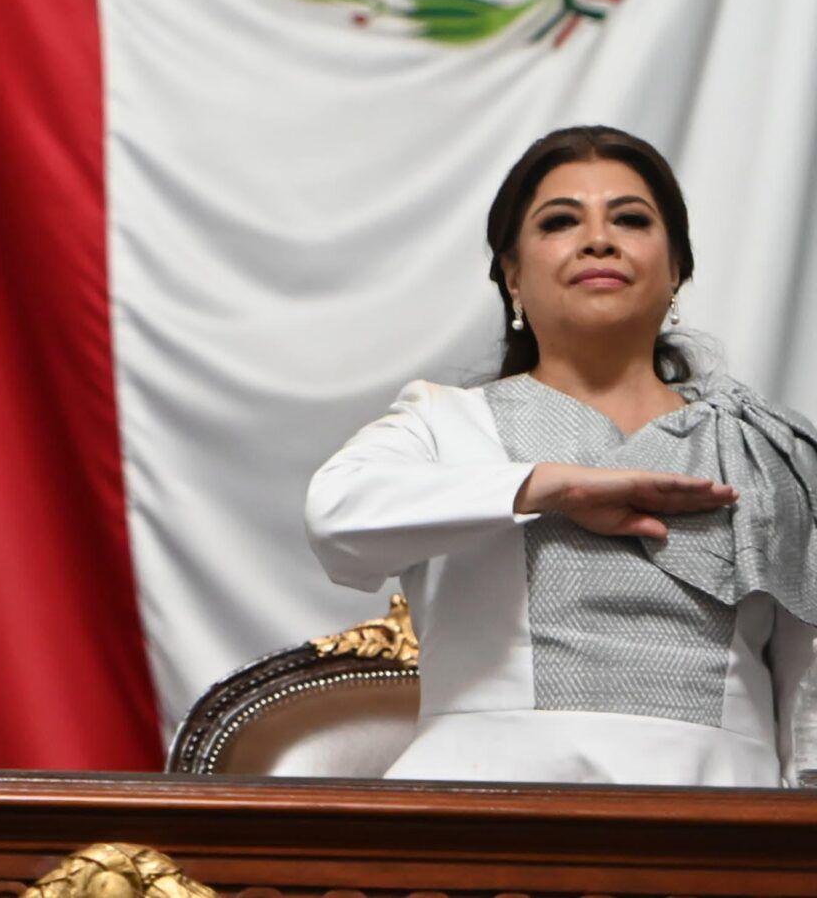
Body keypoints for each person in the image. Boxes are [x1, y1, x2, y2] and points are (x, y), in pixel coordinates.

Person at [306, 124, 817, 785]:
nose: (598, 239)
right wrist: (547, 487)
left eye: (630, 219)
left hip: (721, 814)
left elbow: (806, 677)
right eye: (560, 221)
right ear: (512, 273)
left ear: (678, 268)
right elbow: (334, 519)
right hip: (486, 808)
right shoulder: (445, 421)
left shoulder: (760, 441)